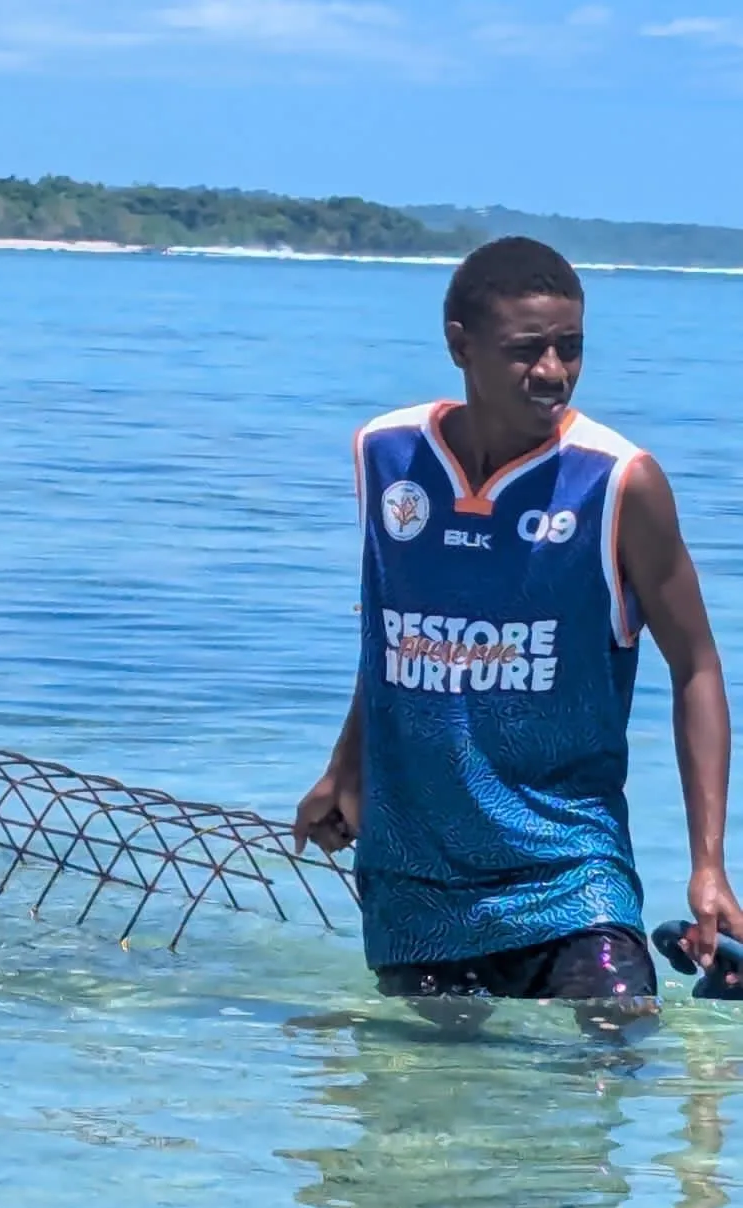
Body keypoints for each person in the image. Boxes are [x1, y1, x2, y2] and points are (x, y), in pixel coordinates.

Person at [294, 235, 742, 1012]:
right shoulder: (386, 455)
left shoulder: (618, 481)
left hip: (569, 873)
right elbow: (394, 638)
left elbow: (696, 666)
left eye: (571, 348)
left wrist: (709, 862)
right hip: (415, 880)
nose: (554, 372)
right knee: (434, 1106)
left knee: (615, 1053)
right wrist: (346, 766)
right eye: (527, 350)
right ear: (459, 345)